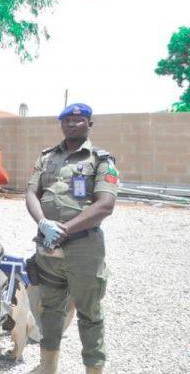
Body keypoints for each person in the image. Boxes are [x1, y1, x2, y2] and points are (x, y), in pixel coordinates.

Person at [25, 103, 119, 374]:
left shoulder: (100, 160)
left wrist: (65, 229)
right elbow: (31, 193)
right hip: (48, 248)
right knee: (50, 311)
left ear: (89, 124)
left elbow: (105, 205)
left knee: (90, 315)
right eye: (67, 120)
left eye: (79, 120)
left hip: (84, 249)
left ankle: (94, 369)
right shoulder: (46, 157)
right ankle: (48, 367)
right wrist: (42, 222)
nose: (72, 124)